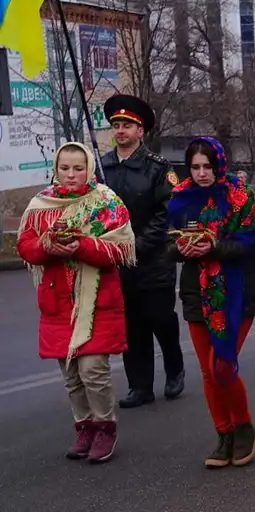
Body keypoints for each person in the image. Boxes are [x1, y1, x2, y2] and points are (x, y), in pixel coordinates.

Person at [17, 142, 135, 463]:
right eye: (65, 168)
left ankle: (105, 427)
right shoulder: (42, 203)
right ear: (56, 168)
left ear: (89, 168)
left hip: (97, 302)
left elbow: (121, 249)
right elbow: (25, 245)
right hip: (58, 304)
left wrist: (80, 247)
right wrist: (48, 247)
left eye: (78, 168)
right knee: (71, 374)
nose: (71, 175)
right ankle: (84, 426)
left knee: (93, 370)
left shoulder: (107, 202)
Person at [168, 137, 255, 469]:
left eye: (207, 166)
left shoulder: (240, 196)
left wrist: (213, 247)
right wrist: (180, 249)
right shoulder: (180, 198)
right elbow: (166, 241)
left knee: (221, 365)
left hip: (235, 292)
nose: (201, 173)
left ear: (219, 165)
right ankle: (224, 434)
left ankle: (244, 426)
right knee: (208, 373)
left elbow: (254, 240)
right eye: (195, 167)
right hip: (197, 293)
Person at [100, 94, 186, 408]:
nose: (120, 130)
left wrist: (138, 244)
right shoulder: (102, 167)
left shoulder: (160, 168)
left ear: (141, 131)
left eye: (127, 125)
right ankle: (140, 385)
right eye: (116, 125)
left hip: (153, 258)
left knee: (160, 317)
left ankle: (175, 369)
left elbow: (170, 211)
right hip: (118, 262)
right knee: (132, 325)